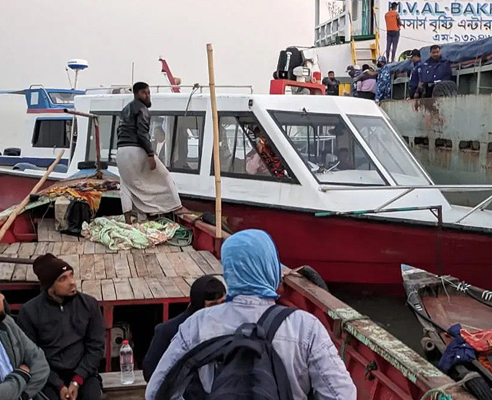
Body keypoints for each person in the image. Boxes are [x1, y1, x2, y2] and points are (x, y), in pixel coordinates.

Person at [145, 229, 356, 400]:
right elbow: (342, 394)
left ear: (229, 270)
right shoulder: (305, 326)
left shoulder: (197, 324)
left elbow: (156, 391)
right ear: (270, 266)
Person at [17, 254, 105, 400]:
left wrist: (77, 380)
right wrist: (58, 385)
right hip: (47, 377)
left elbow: (96, 347)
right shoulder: (30, 312)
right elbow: (31, 355)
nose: (72, 282)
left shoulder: (89, 304)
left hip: (83, 374)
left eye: (71, 275)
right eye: (63, 279)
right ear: (50, 287)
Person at [116, 81, 188, 224]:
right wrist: (150, 155)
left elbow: (119, 131)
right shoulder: (142, 109)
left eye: (149, 93)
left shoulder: (125, 109)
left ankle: (128, 221)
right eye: (145, 93)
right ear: (138, 94)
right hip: (135, 149)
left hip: (121, 152)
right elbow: (142, 133)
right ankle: (177, 206)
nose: (148, 96)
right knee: (164, 176)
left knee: (126, 184)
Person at [0, 273, 50, 400]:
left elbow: (40, 362)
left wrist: (22, 396)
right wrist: (23, 373)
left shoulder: (6, 323)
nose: (2, 297)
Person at [143, 276, 226, 383]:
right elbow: (150, 373)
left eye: (223, 303)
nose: (219, 310)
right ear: (199, 305)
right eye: (212, 305)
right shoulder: (168, 331)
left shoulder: (228, 326)